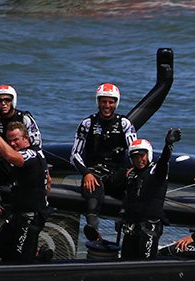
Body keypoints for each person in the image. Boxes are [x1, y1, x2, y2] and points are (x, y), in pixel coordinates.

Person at [71, 83, 137, 242]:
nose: (107, 105)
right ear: (98, 102)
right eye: (103, 101)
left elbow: (134, 149)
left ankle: (122, 219)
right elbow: (74, 155)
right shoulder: (87, 124)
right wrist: (86, 173)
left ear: (116, 103)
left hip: (116, 174)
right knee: (93, 192)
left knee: (134, 181)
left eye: (111, 102)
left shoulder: (124, 124)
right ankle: (93, 230)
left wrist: (133, 168)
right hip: (94, 174)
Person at [0, 114, 50, 263]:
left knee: (21, 258)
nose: (13, 144)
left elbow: (11, 156)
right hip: (17, 213)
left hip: (31, 216)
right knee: (0, 246)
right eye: (10, 141)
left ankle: (39, 259)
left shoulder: (30, 153)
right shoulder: (27, 154)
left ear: (26, 138)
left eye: (16, 140)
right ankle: (35, 254)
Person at [0, 84, 42, 220]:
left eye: (7, 100)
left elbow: (37, 145)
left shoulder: (24, 118)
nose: (3, 103)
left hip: (23, 162)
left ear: (13, 101)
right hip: (4, 163)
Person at [120, 128, 181, 260]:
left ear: (149, 154)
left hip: (149, 226)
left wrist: (168, 145)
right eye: (135, 157)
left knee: (145, 261)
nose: (139, 160)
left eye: (142, 155)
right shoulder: (131, 174)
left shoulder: (156, 171)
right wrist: (122, 215)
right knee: (125, 260)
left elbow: (163, 162)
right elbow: (128, 197)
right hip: (131, 225)